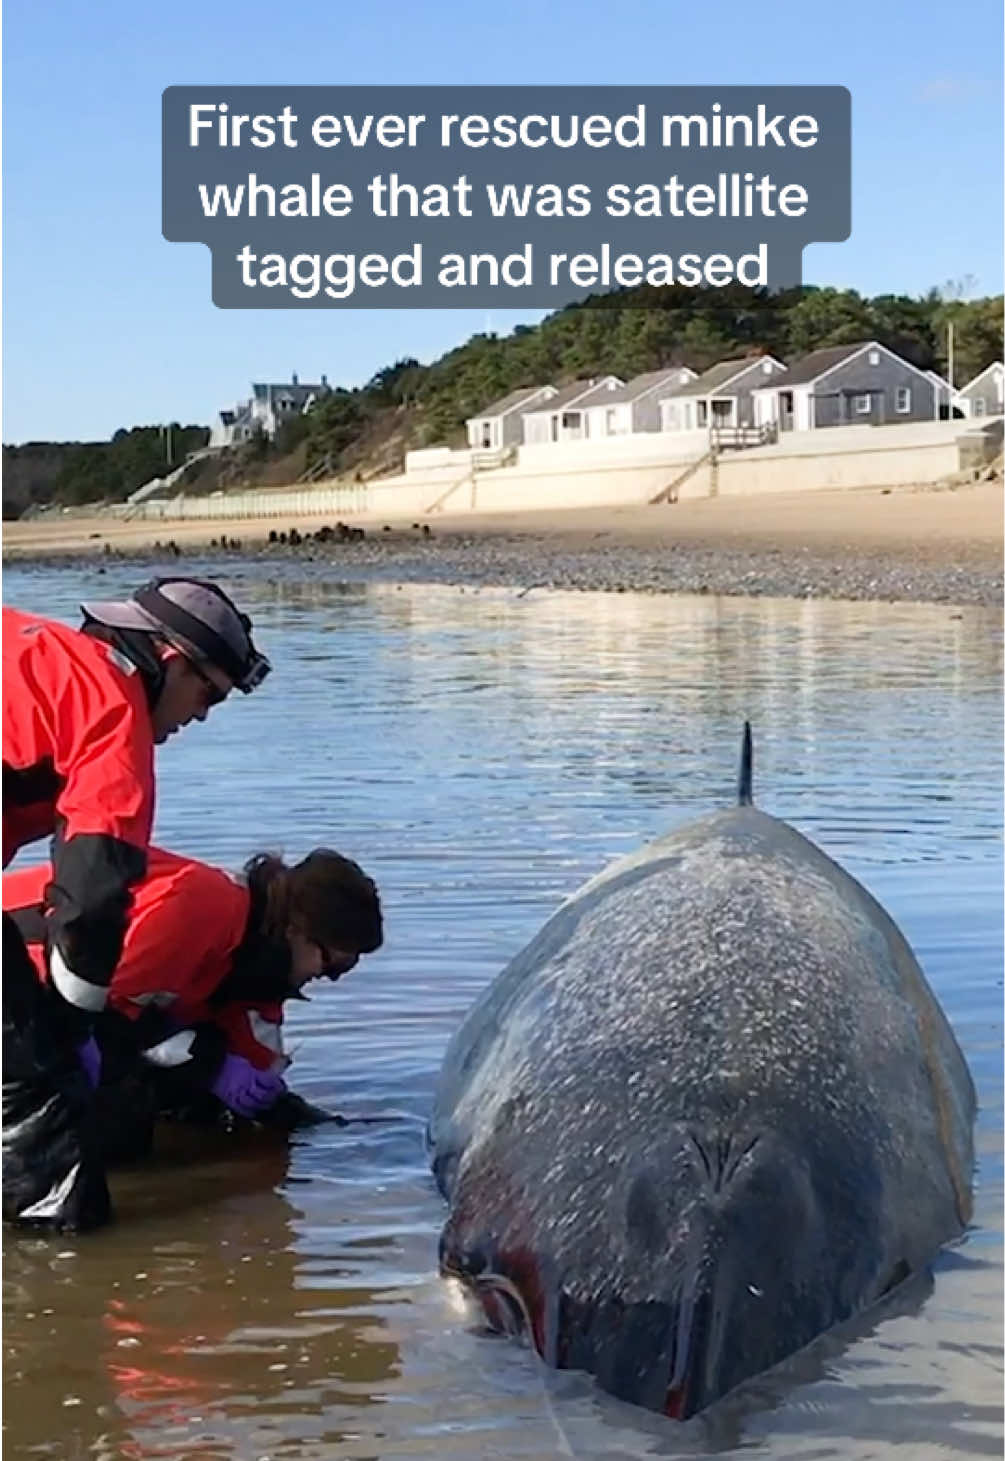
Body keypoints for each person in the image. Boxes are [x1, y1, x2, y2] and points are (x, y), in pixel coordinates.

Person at [2, 577, 270, 1231]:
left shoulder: (32, 647)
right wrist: (71, 1035)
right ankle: (60, 1295)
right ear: (170, 660)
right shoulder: (111, 705)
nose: (201, 715)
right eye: (207, 692)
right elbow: (93, 894)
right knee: (37, 1114)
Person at [3, 843, 383, 1164]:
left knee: (198, 1108)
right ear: (296, 929)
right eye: (333, 964)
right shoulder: (202, 908)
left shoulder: (254, 969)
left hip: (64, 1004)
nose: (329, 978)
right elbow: (88, 1002)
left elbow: (255, 1070)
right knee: (112, 1130)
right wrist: (209, 1060)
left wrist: (328, 1128)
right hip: (29, 983)